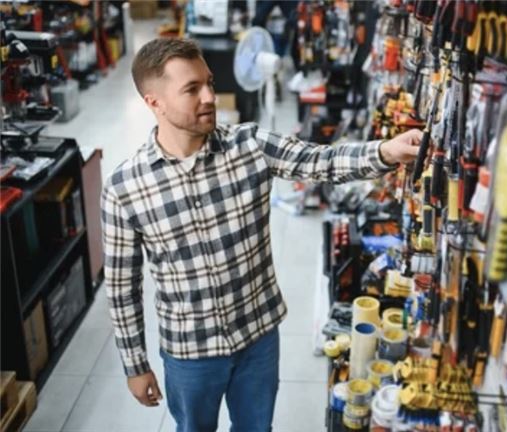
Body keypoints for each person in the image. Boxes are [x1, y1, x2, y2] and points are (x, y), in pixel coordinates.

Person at [101, 38, 423, 432]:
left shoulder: (249, 144)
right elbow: (122, 287)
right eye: (191, 89)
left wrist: (386, 151)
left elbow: (319, 161)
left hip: (258, 337)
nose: (209, 97)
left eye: (209, 82)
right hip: (190, 351)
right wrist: (136, 366)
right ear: (154, 103)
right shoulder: (124, 188)